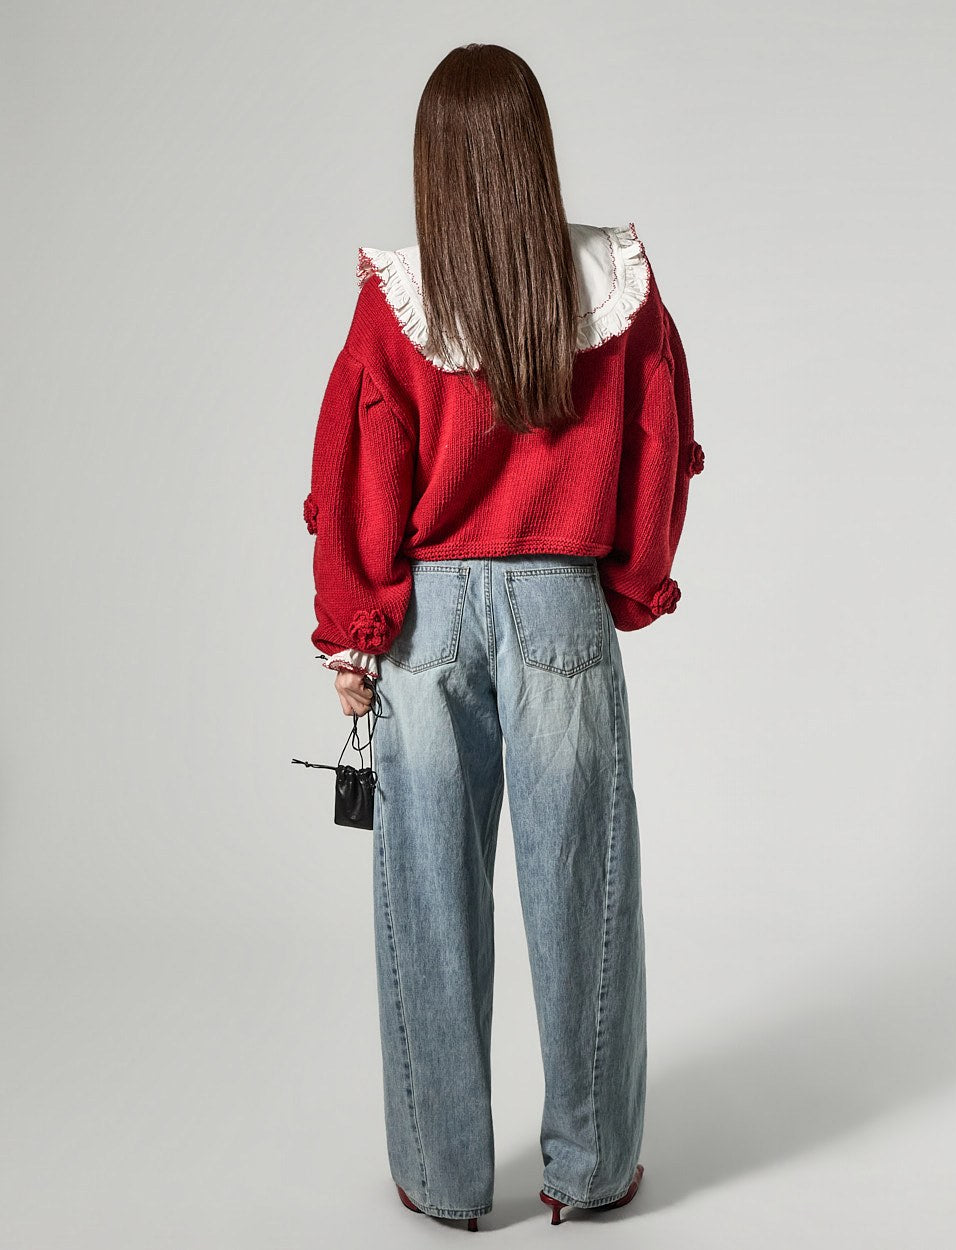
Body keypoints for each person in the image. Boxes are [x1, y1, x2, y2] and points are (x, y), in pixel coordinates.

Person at [302, 42, 704, 1231]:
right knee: (585, 889)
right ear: (534, 150)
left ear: (433, 160)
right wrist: (627, 584)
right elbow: (656, 444)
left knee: (428, 896)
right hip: (558, 606)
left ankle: (443, 1176)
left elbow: (359, 467)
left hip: (425, 621)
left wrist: (355, 632)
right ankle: (592, 1168)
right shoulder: (612, 284)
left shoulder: (400, 300)